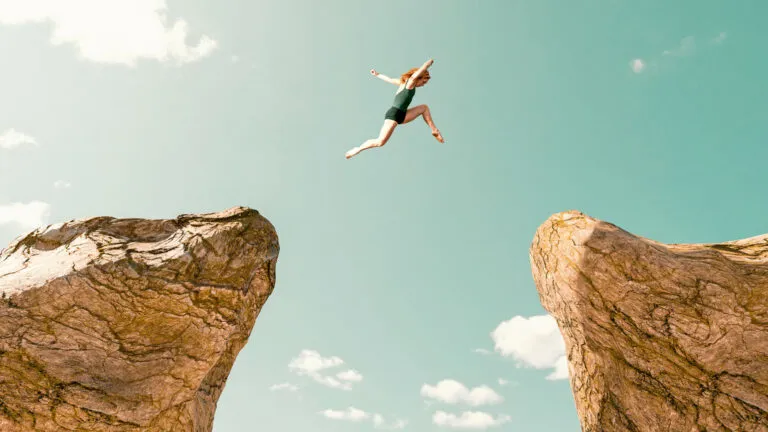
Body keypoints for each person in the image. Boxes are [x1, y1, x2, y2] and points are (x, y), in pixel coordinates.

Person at [345, 58, 444, 159]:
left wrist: (377, 74)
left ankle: (434, 130)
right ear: (419, 77)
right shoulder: (410, 82)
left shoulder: (402, 83)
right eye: (423, 82)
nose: (423, 85)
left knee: (424, 108)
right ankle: (358, 149)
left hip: (403, 114)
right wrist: (429, 63)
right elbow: (421, 70)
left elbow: (390, 80)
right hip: (394, 114)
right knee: (380, 142)